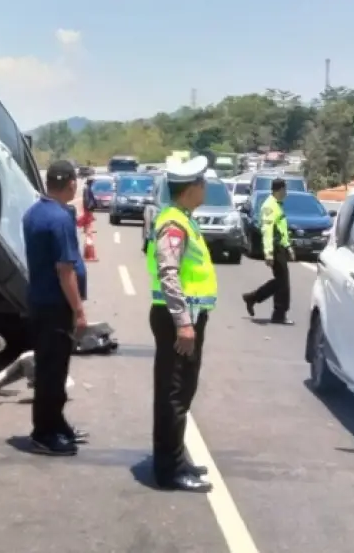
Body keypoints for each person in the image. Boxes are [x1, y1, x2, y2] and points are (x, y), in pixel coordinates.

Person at [146, 155, 217, 493]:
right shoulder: (173, 224)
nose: (205, 188)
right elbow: (168, 273)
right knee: (173, 394)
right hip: (177, 319)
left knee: (182, 392)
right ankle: (169, 470)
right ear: (190, 189)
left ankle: (176, 457)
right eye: (201, 183)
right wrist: (183, 323)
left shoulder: (183, 218)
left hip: (185, 317)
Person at [21, 160, 90, 456]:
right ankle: (43, 432)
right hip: (55, 307)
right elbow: (65, 270)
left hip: (39, 301)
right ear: (72, 184)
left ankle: (57, 423)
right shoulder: (60, 219)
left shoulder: (34, 212)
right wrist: (79, 311)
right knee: (52, 373)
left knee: (53, 370)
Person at [242, 177, 296, 325]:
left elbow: (281, 230)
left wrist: (288, 247)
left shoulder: (278, 205)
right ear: (280, 189)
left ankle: (253, 298)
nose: (287, 192)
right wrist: (269, 253)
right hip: (274, 247)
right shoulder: (269, 206)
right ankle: (278, 314)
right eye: (285, 189)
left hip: (280, 247)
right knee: (283, 282)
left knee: (280, 281)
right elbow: (267, 230)